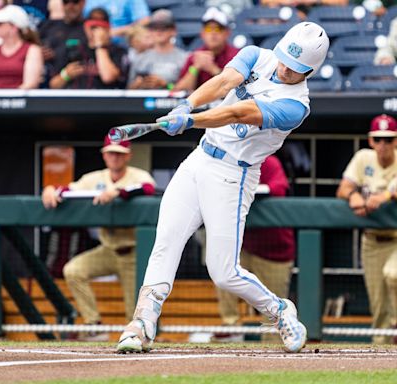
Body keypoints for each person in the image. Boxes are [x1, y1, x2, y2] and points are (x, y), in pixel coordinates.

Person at [116, 21, 330, 354]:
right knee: (166, 240)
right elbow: (222, 83)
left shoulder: (296, 106)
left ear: (311, 70)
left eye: (296, 68)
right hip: (199, 158)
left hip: (234, 175)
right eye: (286, 59)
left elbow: (236, 112)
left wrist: (190, 120)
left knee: (224, 272)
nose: (286, 69)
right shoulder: (256, 56)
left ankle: (280, 311)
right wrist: (186, 105)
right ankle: (142, 323)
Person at [41, 136, 156, 341]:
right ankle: (94, 325)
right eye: (111, 152)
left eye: (120, 153)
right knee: (73, 270)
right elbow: (66, 191)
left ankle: (140, 341)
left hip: (133, 253)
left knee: (135, 310)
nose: (115, 157)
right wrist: (50, 189)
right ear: (104, 155)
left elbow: (148, 188)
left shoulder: (138, 175)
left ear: (128, 155)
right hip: (108, 249)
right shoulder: (94, 178)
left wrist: (118, 192)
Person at [215, 155, 295, 343]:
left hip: (274, 249)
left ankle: (274, 352)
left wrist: (250, 190)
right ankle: (231, 328)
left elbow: (279, 188)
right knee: (222, 268)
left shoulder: (269, 162)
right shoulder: (228, 162)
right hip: (244, 245)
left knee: (273, 312)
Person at [336, 114, 397, 344]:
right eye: (378, 139)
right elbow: (343, 188)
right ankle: (380, 362)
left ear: (396, 141)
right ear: (371, 140)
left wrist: (385, 196)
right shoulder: (363, 158)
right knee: (378, 308)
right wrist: (353, 196)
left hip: (395, 238)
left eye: (388, 139)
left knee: (393, 274)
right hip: (371, 242)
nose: (383, 145)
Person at [48, 7, 129, 89]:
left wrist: (100, 47)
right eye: (92, 27)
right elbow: (53, 85)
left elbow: (108, 77)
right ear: (85, 28)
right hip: (75, 98)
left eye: (101, 27)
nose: (96, 32)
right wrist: (65, 75)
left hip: (105, 100)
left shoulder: (118, 51)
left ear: (108, 29)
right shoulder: (73, 49)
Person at [0, 4, 43, 89]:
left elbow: (30, 84)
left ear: (14, 28)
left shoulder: (32, 50)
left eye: (0, 24)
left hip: (21, 101)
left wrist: (10, 100)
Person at [175, 7, 239, 92]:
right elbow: (180, 90)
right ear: (202, 33)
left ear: (227, 33)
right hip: (200, 104)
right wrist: (195, 67)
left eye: (218, 29)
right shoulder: (195, 57)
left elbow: (239, 89)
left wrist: (214, 70)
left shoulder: (236, 56)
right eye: (208, 29)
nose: (213, 33)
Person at [127, 9, 188, 90]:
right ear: (150, 30)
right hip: (142, 101)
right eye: (154, 27)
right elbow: (128, 91)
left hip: (173, 102)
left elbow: (188, 90)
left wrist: (165, 85)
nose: (159, 31)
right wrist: (138, 84)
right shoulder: (140, 58)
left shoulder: (184, 58)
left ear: (173, 31)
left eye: (164, 27)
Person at [38, 0, 86, 75]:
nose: (70, 6)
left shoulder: (89, 28)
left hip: (78, 78)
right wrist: (38, 53)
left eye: (75, 2)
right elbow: (29, 47)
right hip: (47, 76)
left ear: (83, 3)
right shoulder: (48, 25)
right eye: (66, 2)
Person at [83, 0, 150, 42]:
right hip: (90, 42)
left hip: (124, 44)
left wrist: (112, 33)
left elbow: (145, 21)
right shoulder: (86, 2)